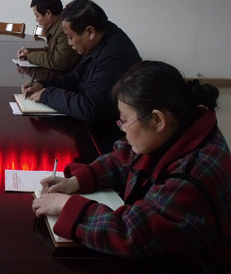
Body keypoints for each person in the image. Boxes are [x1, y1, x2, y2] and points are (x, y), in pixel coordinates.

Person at [31, 61, 231, 273]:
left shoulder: (194, 174)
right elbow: (124, 158)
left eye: (125, 121)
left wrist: (67, 206)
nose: (122, 129)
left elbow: (130, 233)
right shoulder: (178, 128)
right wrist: (76, 181)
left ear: (157, 120)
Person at [21, 0, 141, 150]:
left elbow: (91, 107)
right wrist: (42, 85)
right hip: (92, 126)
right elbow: (75, 77)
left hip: (108, 139)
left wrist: (47, 95)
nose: (69, 43)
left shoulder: (115, 55)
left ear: (90, 32)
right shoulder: (99, 41)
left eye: (70, 37)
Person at [16, 0, 80, 73]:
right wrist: (29, 51)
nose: (36, 20)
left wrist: (30, 56)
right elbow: (52, 50)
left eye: (37, 15)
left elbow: (58, 61)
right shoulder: (55, 26)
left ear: (48, 13)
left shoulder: (63, 29)